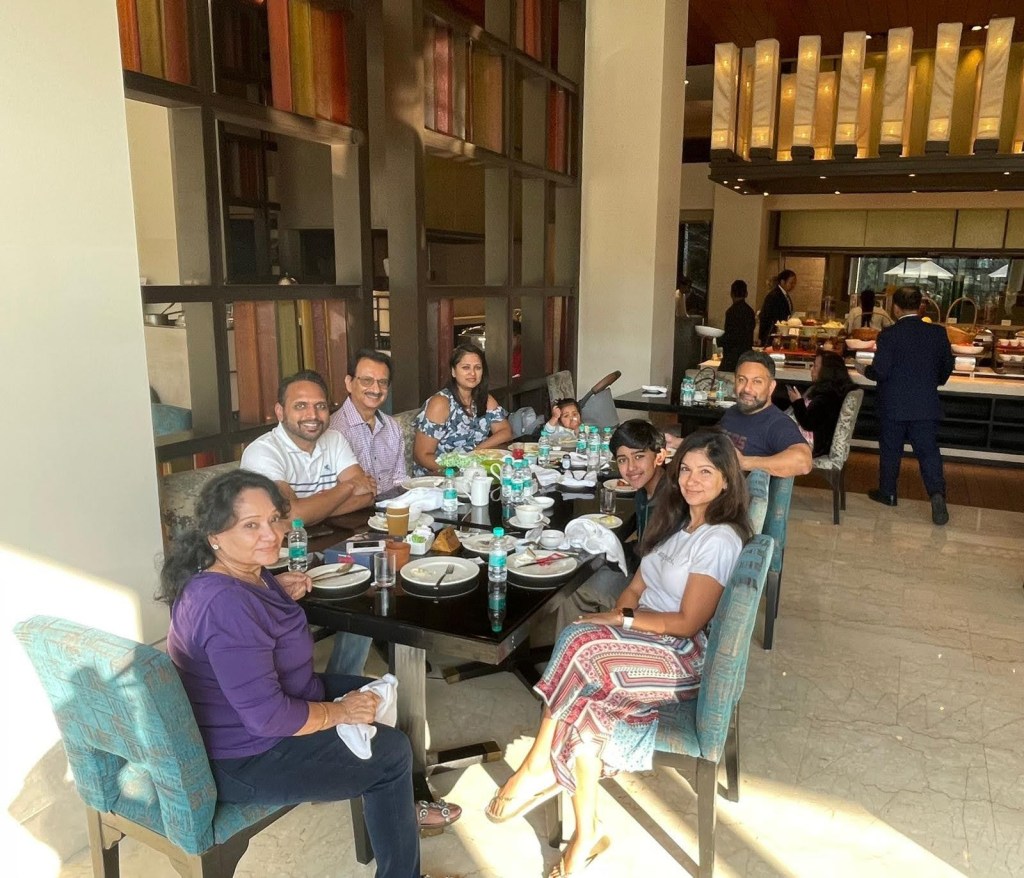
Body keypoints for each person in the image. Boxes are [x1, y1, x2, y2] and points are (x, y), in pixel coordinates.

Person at [485, 432, 751, 878]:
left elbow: (687, 622)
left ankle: (537, 763)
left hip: (681, 657)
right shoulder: (678, 524)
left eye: (706, 472)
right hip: (650, 640)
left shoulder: (719, 539)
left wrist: (621, 622)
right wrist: (618, 615)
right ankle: (587, 834)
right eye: (686, 469)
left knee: (578, 640)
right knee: (585, 707)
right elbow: (636, 585)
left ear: (727, 480)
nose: (692, 480)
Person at [158, 469, 429, 878]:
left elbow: (247, 628)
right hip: (246, 756)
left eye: (273, 519)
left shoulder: (239, 574)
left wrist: (274, 591)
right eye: (251, 525)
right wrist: (340, 713)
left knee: (383, 696)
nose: (271, 534)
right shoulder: (225, 606)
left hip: (276, 706)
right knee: (392, 754)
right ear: (215, 535)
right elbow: (268, 717)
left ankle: (390, 810)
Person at [241, 370, 376, 676]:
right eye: (300, 406)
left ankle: (343, 679)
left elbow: (367, 494)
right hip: (273, 561)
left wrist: (309, 510)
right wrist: (344, 489)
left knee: (368, 585)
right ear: (280, 412)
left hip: (323, 547)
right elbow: (290, 517)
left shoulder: (334, 439)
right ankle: (296, 690)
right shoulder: (263, 451)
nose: (312, 415)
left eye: (320, 406)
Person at [555, 420, 668, 630]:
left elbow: (656, 562)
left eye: (639, 456)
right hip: (644, 576)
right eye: (623, 460)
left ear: (659, 456)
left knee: (571, 591)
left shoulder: (669, 503)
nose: (631, 468)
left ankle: (577, 645)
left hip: (656, 594)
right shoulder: (645, 491)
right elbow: (644, 547)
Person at [862, 285, 955, 525]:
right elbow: (947, 367)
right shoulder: (937, 333)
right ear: (920, 306)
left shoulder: (889, 335)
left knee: (891, 450)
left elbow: (881, 371)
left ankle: (888, 493)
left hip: (893, 404)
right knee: (928, 452)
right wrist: (933, 382)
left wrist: (864, 370)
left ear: (895, 307)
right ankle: (937, 494)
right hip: (925, 404)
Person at [413, 343, 513, 474]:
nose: (472, 373)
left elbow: (505, 432)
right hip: (440, 475)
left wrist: (475, 452)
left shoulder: (484, 399)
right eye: (466, 367)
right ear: (453, 371)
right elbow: (422, 455)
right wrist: (457, 470)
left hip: (472, 471)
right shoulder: (441, 403)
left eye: (478, 368)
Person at [718, 351, 813, 477]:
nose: (747, 388)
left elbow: (803, 462)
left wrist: (744, 462)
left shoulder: (777, 423)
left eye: (757, 382)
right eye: (741, 380)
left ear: (771, 387)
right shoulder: (733, 411)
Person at [328, 349, 406, 495]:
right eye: (366, 381)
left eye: (382, 382)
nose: (376, 389)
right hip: (354, 507)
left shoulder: (393, 427)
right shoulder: (334, 431)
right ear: (349, 383)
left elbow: (400, 480)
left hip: (393, 505)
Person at [786, 350, 856, 458]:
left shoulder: (826, 397)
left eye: (815, 366)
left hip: (814, 446)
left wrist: (797, 402)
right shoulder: (836, 391)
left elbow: (808, 423)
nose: (811, 369)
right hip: (821, 443)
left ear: (826, 371)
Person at [721, 279, 756, 371]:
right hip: (746, 355)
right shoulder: (750, 311)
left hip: (732, 357)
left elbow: (731, 336)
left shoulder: (731, 312)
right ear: (746, 294)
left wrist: (716, 339)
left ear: (731, 294)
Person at [757, 269, 797, 346]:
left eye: (794, 283)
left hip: (780, 333)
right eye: (791, 283)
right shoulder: (774, 295)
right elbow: (766, 317)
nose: (793, 286)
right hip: (772, 334)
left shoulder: (784, 295)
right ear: (782, 282)